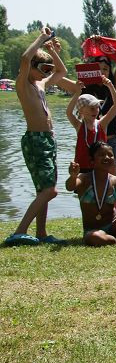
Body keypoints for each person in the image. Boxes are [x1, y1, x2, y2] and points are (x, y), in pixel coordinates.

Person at [6, 28, 72, 245]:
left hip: (47, 140)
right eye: (43, 68)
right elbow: (25, 58)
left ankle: (41, 233)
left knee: (43, 188)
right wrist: (42, 39)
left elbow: (61, 72)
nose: (46, 73)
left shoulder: (41, 84)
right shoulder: (23, 84)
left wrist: (52, 52)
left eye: (47, 69)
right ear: (32, 68)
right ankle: (19, 231)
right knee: (50, 190)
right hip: (35, 139)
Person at [65, 142, 116, 246]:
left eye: (110, 155)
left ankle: (113, 239)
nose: (107, 157)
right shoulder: (84, 179)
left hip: (113, 225)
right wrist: (73, 176)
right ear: (92, 160)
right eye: (101, 155)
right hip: (93, 230)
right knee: (94, 237)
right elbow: (70, 187)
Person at [65, 76, 116, 172]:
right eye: (91, 108)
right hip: (82, 169)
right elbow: (69, 112)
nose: (95, 111)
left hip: (100, 170)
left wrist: (110, 86)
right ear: (81, 111)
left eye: (97, 107)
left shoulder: (102, 124)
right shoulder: (79, 126)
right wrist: (77, 92)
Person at [79, 51, 116, 163]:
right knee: (91, 177)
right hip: (91, 140)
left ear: (110, 72)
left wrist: (105, 47)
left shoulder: (112, 86)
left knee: (113, 177)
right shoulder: (84, 88)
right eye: (98, 69)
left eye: (105, 69)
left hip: (111, 140)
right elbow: (60, 79)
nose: (101, 72)